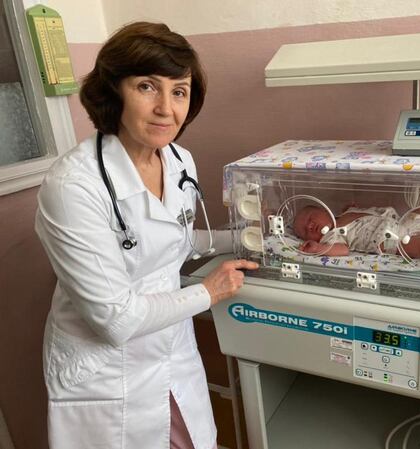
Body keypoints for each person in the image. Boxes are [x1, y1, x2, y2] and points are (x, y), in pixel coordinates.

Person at [35, 22, 256, 449]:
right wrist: (210, 292)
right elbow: (115, 319)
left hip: (171, 351)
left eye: (179, 91)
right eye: (147, 87)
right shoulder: (73, 186)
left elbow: (177, 239)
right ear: (113, 91)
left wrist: (250, 240)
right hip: (106, 373)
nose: (166, 109)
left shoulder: (176, 159)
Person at [293, 204, 420, 262]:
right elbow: (342, 250)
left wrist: (352, 207)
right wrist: (320, 248)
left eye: (311, 218)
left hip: (402, 223)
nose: (310, 226)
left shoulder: (346, 212)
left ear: (323, 208)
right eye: (305, 230)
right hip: (394, 242)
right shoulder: (332, 236)